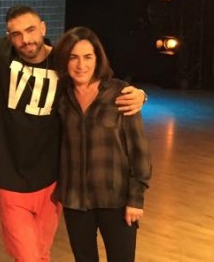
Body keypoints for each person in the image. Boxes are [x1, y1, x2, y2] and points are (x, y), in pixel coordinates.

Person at [0, 6, 146, 261]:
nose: (25, 39)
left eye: (30, 30)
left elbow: (95, 81)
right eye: (16, 34)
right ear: (8, 37)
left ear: (43, 28)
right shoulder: (0, 52)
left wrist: (139, 95)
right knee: (29, 257)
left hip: (51, 182)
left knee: (41, 254)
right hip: (10, 178)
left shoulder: (62, 62)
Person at [53, 26, 152, 262]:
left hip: (116, 200)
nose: (81, 65)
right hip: (75, 200)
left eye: (88, 57)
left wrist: (136, 199)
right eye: (73, 57)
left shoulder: (120, 93)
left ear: (98, 59)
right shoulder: (61, 96)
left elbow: (139, 151)